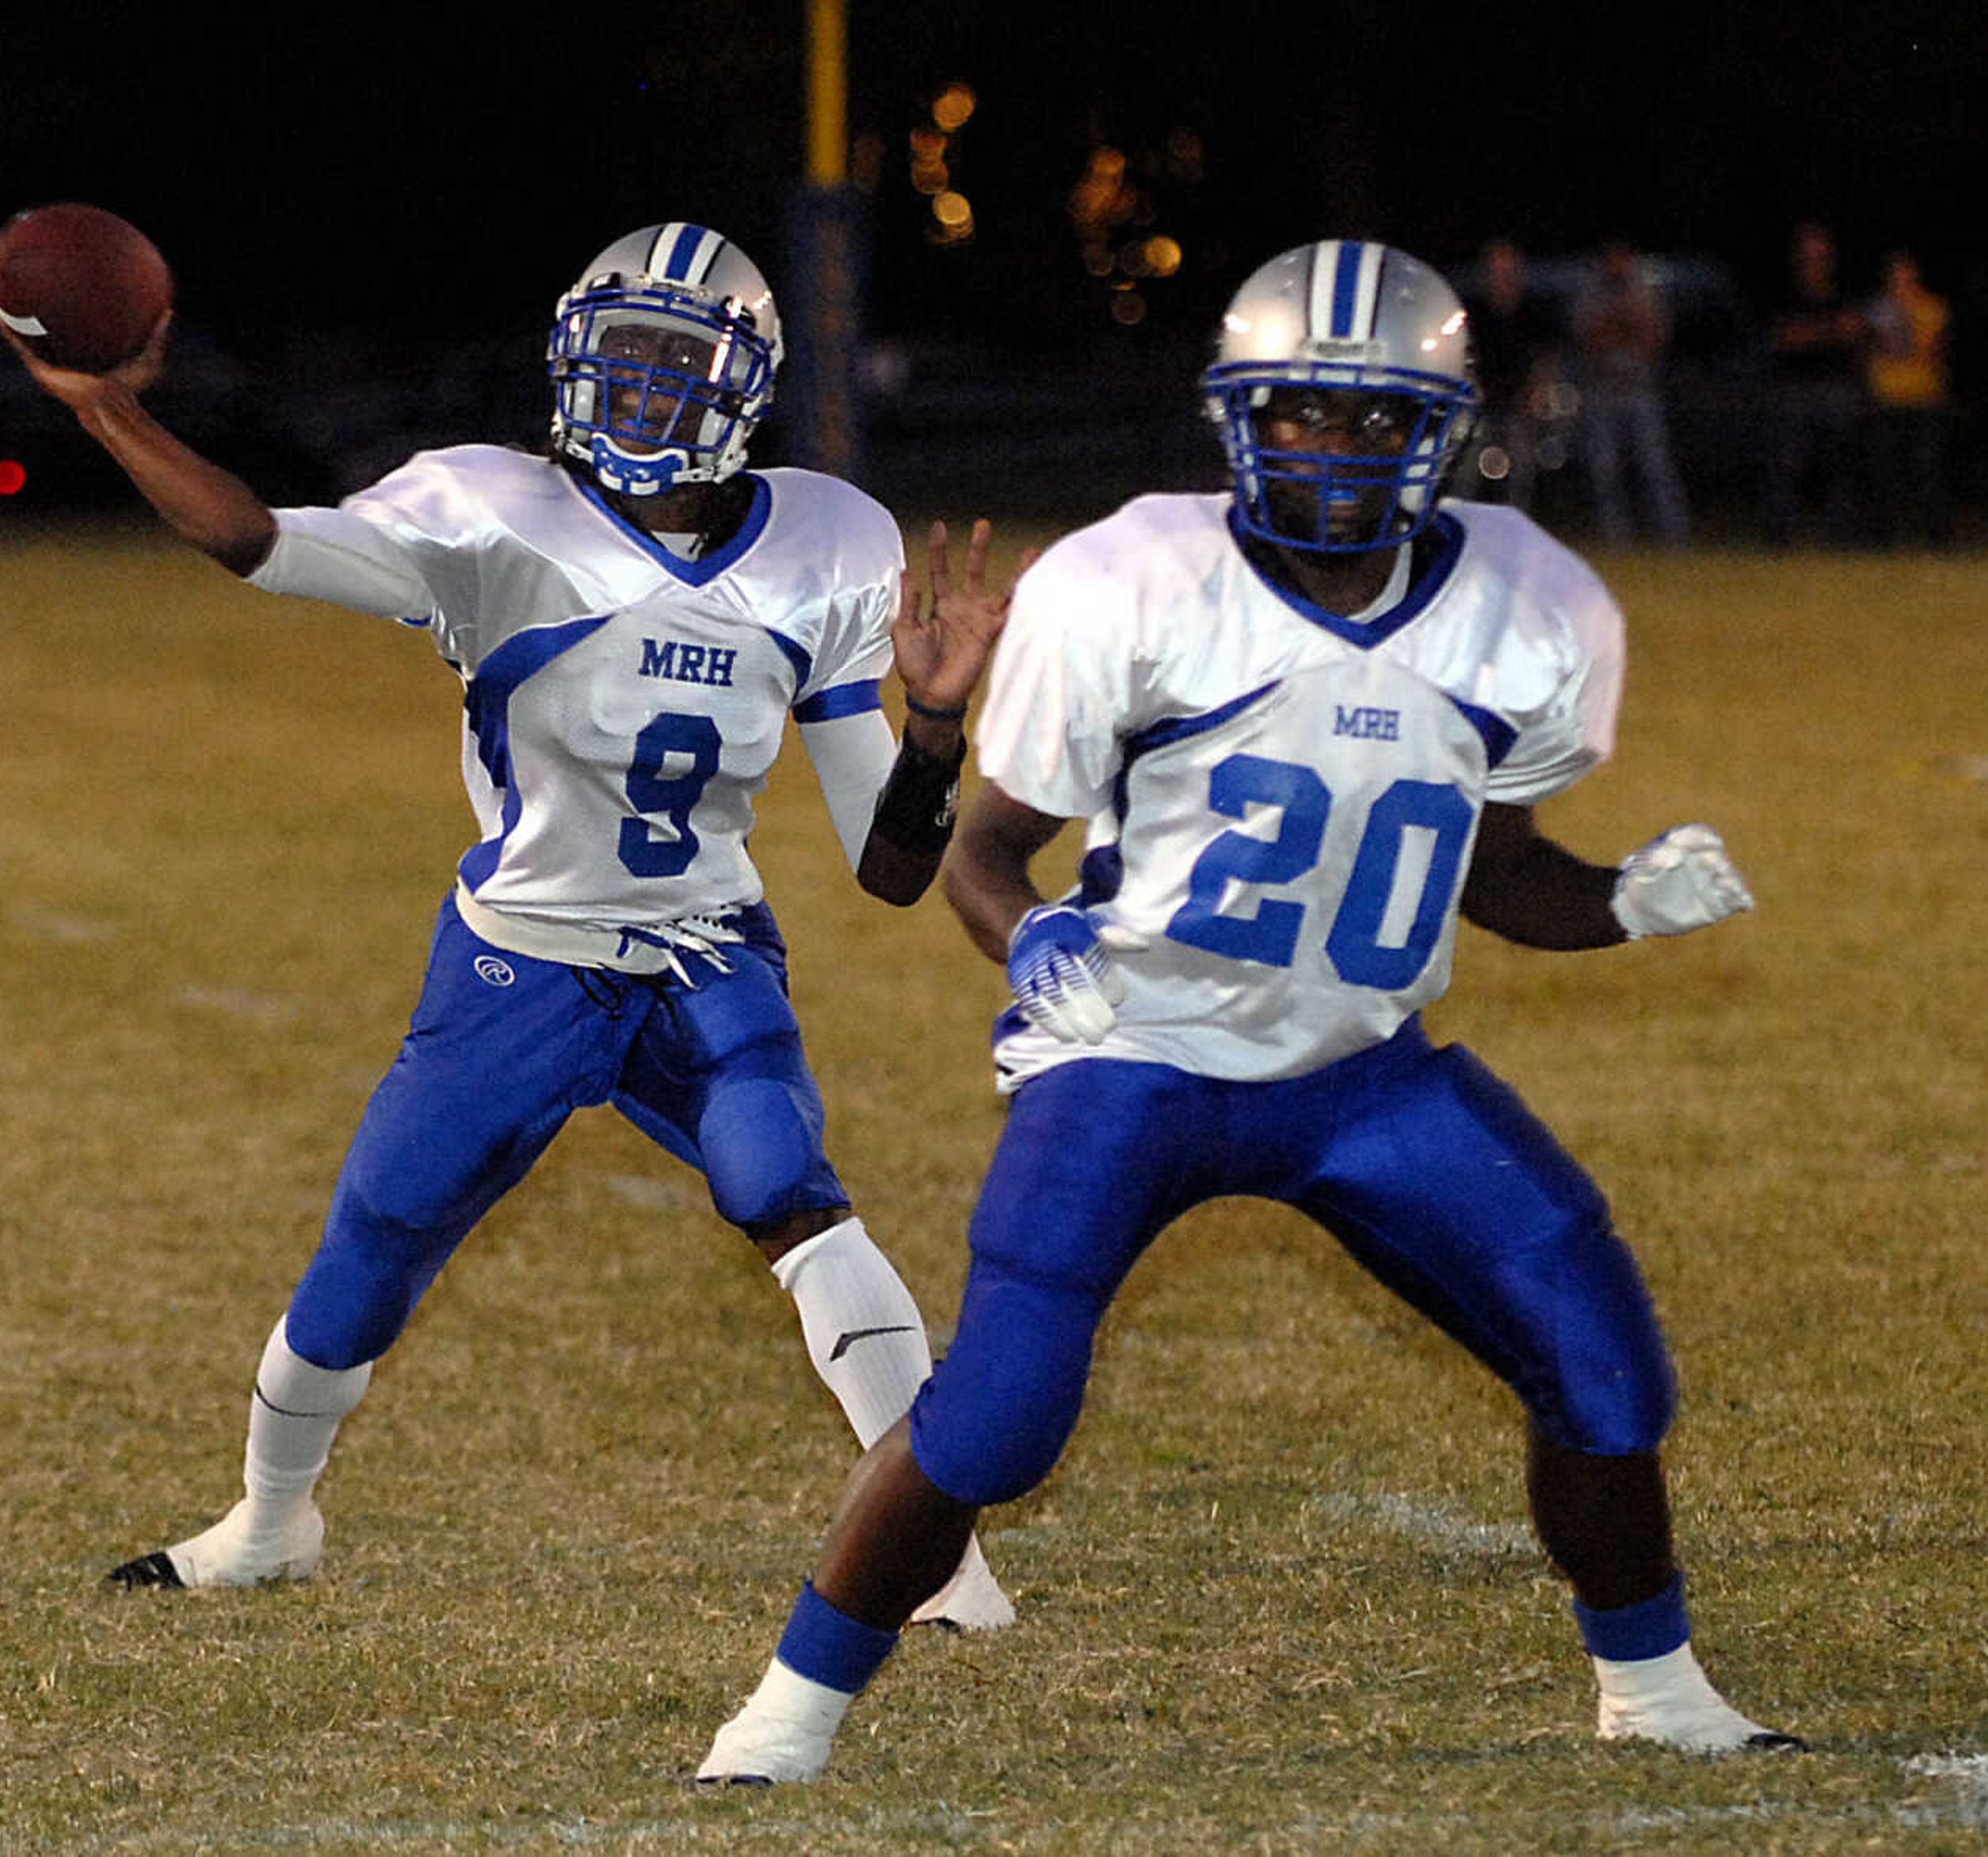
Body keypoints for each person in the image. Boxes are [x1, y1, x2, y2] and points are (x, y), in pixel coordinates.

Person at [698, 238, 1800, 1784]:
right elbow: (985, 854)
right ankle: (790, 1710)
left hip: (1361, 1070)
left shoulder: (1524, 601)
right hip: (1134, 1061)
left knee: (1605, 1365)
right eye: (1297, 412)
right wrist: (1031, 950)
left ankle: (1656, 1685)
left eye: (1369, 418)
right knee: (995, 1421)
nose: (1330, 450)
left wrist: (1619, 900)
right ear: (1234, 416)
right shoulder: (1135, 577)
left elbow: (1494, 867)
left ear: (1440, 425)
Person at [0, 221, 1015, 1630]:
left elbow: (890, 867)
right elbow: (255, 538)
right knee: (376, 1239)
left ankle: (940, 1558)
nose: (643, 398)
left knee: (783, 1174)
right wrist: (109, 405)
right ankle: (268, 1520)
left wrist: (940, 728)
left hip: (700, 944)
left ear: (742, 388)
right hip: (519, 957)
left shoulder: (830, 542)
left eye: (678, 368)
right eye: (624, 362)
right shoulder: (486, 514)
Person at [1568, 238, 1689, 546]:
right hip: (1602, 390)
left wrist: (1620, 326)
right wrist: (1621, 327)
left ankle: (1674, 537)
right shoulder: (1590, 292)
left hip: (1640, 391)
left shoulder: (1647, 291)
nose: (1617, 263)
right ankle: (1617, 538)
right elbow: (1587, 336)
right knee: (1605, 471)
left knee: (1656, 467)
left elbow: (1655, 336)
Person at [1761, 221, 1865, 548]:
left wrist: (1812, 333)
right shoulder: (1785, 291)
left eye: (1820, 249)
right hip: (1794, 390)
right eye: (1809, 249)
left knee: (1839, 466)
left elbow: (1855, 331)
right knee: (1787, 466)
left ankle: (1841, 538)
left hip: (1838, 388)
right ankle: (1781, 538)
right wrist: (1828, 332)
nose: (1815, 256)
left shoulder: (1843, 288)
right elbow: (1785, 338)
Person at [1451, 236, 1563, 513]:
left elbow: (1544, 357)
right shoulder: (1475, 311)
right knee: (1466, 476)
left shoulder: (1530, 311)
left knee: (1520, 477)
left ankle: (1516, 530)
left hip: (1518, 405)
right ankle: (1464, 527)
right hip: (1480, 405)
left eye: (1507, 265)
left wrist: (1536, 392)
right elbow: (1463, 355)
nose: (1502, 272)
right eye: (1496, 266)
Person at [1861, 249, 1952, 550]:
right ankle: (1881, 539)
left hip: (1925, 398)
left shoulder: (1933, 307)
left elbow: (1932, 350)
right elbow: (1875, 346)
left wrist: (1900, 336)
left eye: (1907, 272)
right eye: (1896, 273)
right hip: (1886, 398)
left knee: (1929, 472)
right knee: (1884, 472)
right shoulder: (1876, 309)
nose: (1902, 279)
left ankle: (1936, 539)